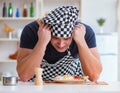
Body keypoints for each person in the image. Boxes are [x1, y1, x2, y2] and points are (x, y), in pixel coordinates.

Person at [16, 6, 102, 82]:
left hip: (72, 86)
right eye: (56, 38)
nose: (61, 44)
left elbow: (94, 76)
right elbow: (24, 76)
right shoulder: (32, 31)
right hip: (37, 86)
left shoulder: (84, 32)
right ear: (49, 32)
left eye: (66, 39)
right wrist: (42, 42)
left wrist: (81, 42)